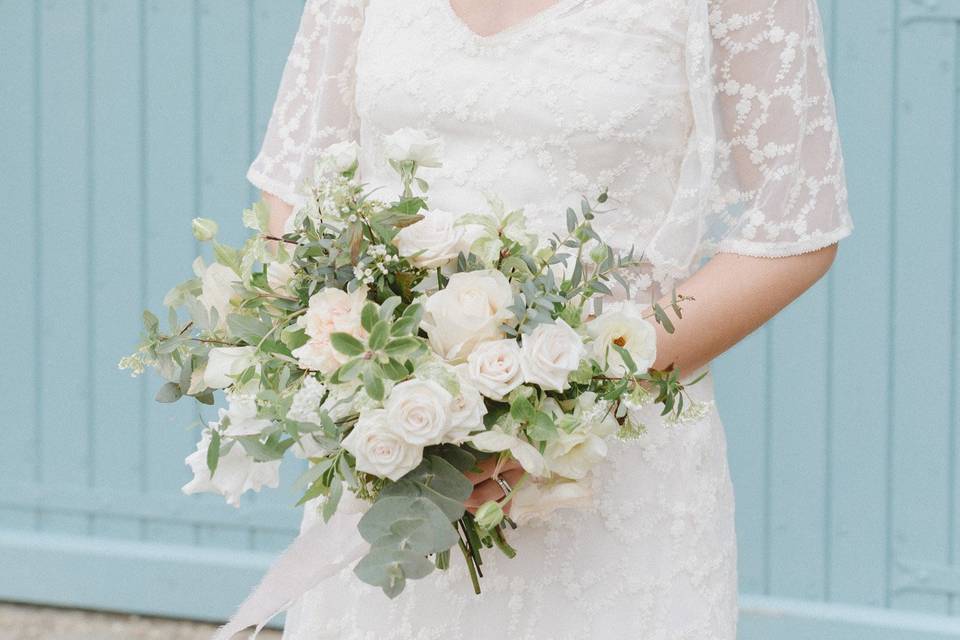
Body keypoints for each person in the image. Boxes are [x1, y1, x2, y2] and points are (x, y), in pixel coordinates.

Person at [247, 1, 853, 637]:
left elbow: (794, 230)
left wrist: (557, 405)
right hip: (400, 446)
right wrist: (368, 372)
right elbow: (296, 182)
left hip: (614, 452)